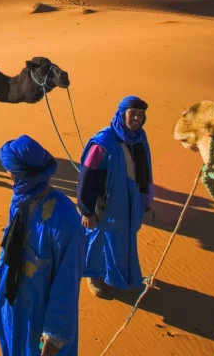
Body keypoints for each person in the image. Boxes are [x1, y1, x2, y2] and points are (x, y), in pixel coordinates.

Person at [0, 135, 82, 356]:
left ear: (21, 175)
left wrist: (55, 332)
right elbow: (11, 238)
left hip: (43, 314)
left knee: (38, 350)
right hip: (15, 299)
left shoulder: (65, 220)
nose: (7, 174)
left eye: (10, 171)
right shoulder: (21, 200)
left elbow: (68, 280)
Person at [77, 95, 154, 297]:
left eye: (140, 114)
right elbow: (87, 176)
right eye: (133, 114)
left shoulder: (139, 137)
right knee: (99, 238)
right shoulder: (103, 142)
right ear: (122, 114)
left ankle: (120, 275)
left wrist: (146, 199)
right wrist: (86, 210)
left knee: (123, 238)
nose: (137, 118)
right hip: (106, 201)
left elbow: (145, 169)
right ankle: (93, 276)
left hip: (131, 199)